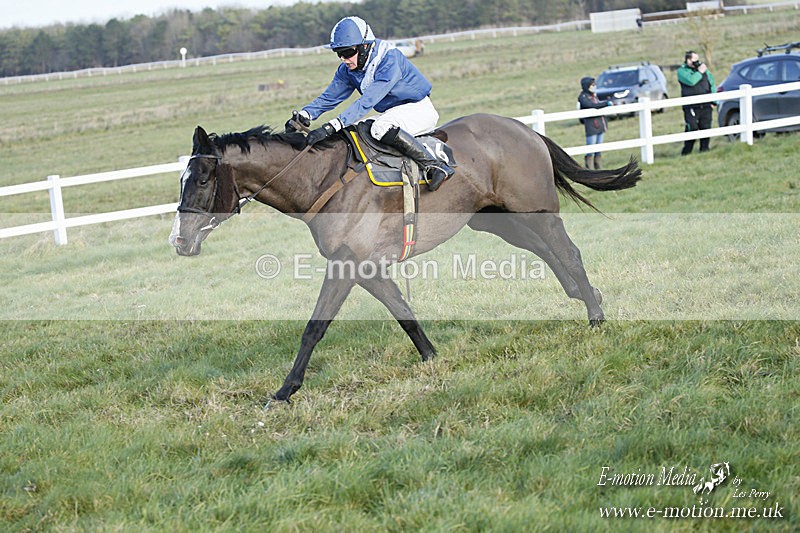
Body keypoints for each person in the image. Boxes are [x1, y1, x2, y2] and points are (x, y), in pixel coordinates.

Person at [285, 16, 454, 191]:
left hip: (418, 110)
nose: (344, 59)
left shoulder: (389, 60)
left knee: (379, 128)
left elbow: (367, 102)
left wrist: (330, 127)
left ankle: (435, 166)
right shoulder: (348, 69)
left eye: (348, 52)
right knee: (353, 132)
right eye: (339, 54)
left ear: (365, 46)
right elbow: (330, 97)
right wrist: (305, 114)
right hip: (393, 113)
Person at [677, 50, 716, 155]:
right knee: (692, 127)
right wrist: (699, 72)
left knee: (706, 126)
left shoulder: (704, 71)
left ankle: (704, 150)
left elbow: (711, 83)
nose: (697, 62)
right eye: (694, 59)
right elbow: (691, 81)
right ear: (688, 60)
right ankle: (686, 152)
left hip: (706, 104)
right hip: (691, 106)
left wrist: (714, 101)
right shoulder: (682, 71)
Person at [577, 77, 613, 169]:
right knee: (591, 149)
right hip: (591, 126)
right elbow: (590, 105)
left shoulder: (594, 95)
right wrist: (605, 104)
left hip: (600, 125)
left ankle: (599, 168)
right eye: (592, 85)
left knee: (598, 149)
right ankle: (590, 169)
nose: (594, 86)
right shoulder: (583, 97)